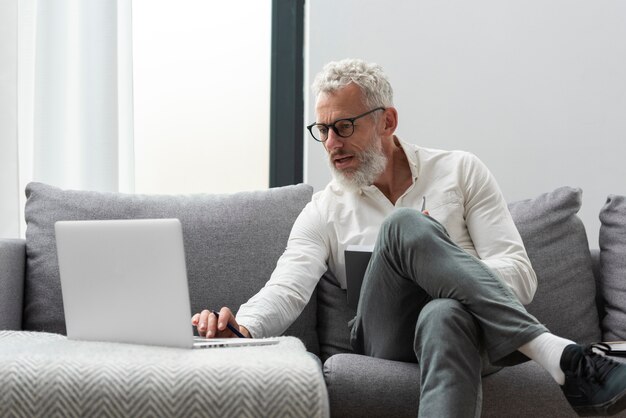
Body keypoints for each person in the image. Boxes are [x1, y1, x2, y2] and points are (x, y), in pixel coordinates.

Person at [192, 58, 626, 417]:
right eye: (322, 130)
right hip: (387, 339)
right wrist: (241, 329)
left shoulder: (461, 171)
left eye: (343, 126)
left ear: (388, 121)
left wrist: (449, 277)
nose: (330, 144)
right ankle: (558, 353)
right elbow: (286, 289)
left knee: (443, 312)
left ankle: (535, 343)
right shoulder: (325, 208)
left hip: (471, 334)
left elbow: (519, 275)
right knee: (405, 226)